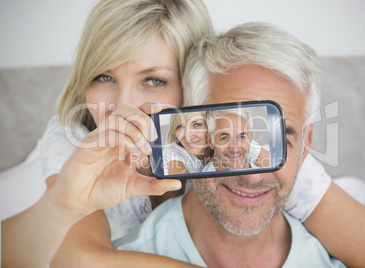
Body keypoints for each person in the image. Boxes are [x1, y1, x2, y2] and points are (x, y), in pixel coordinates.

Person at [114, 22, 365, 267]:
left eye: (281, 140)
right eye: (224, 135)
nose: (252, 176)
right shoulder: (119, 258)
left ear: (305, 147)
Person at [2, 0, 213, 267]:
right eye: (104, 76)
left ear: (193, 84)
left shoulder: (224, 139)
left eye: (154, 80)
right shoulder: (72, 135)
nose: (122, 106)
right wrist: (63, 202)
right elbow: (77, 260)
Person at [202, 108, 271, 172]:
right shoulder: (201, 182)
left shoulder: (270, 171)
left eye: (241, 137)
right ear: (210, 141)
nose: (235, 149)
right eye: (225, 138)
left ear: (250, 137)